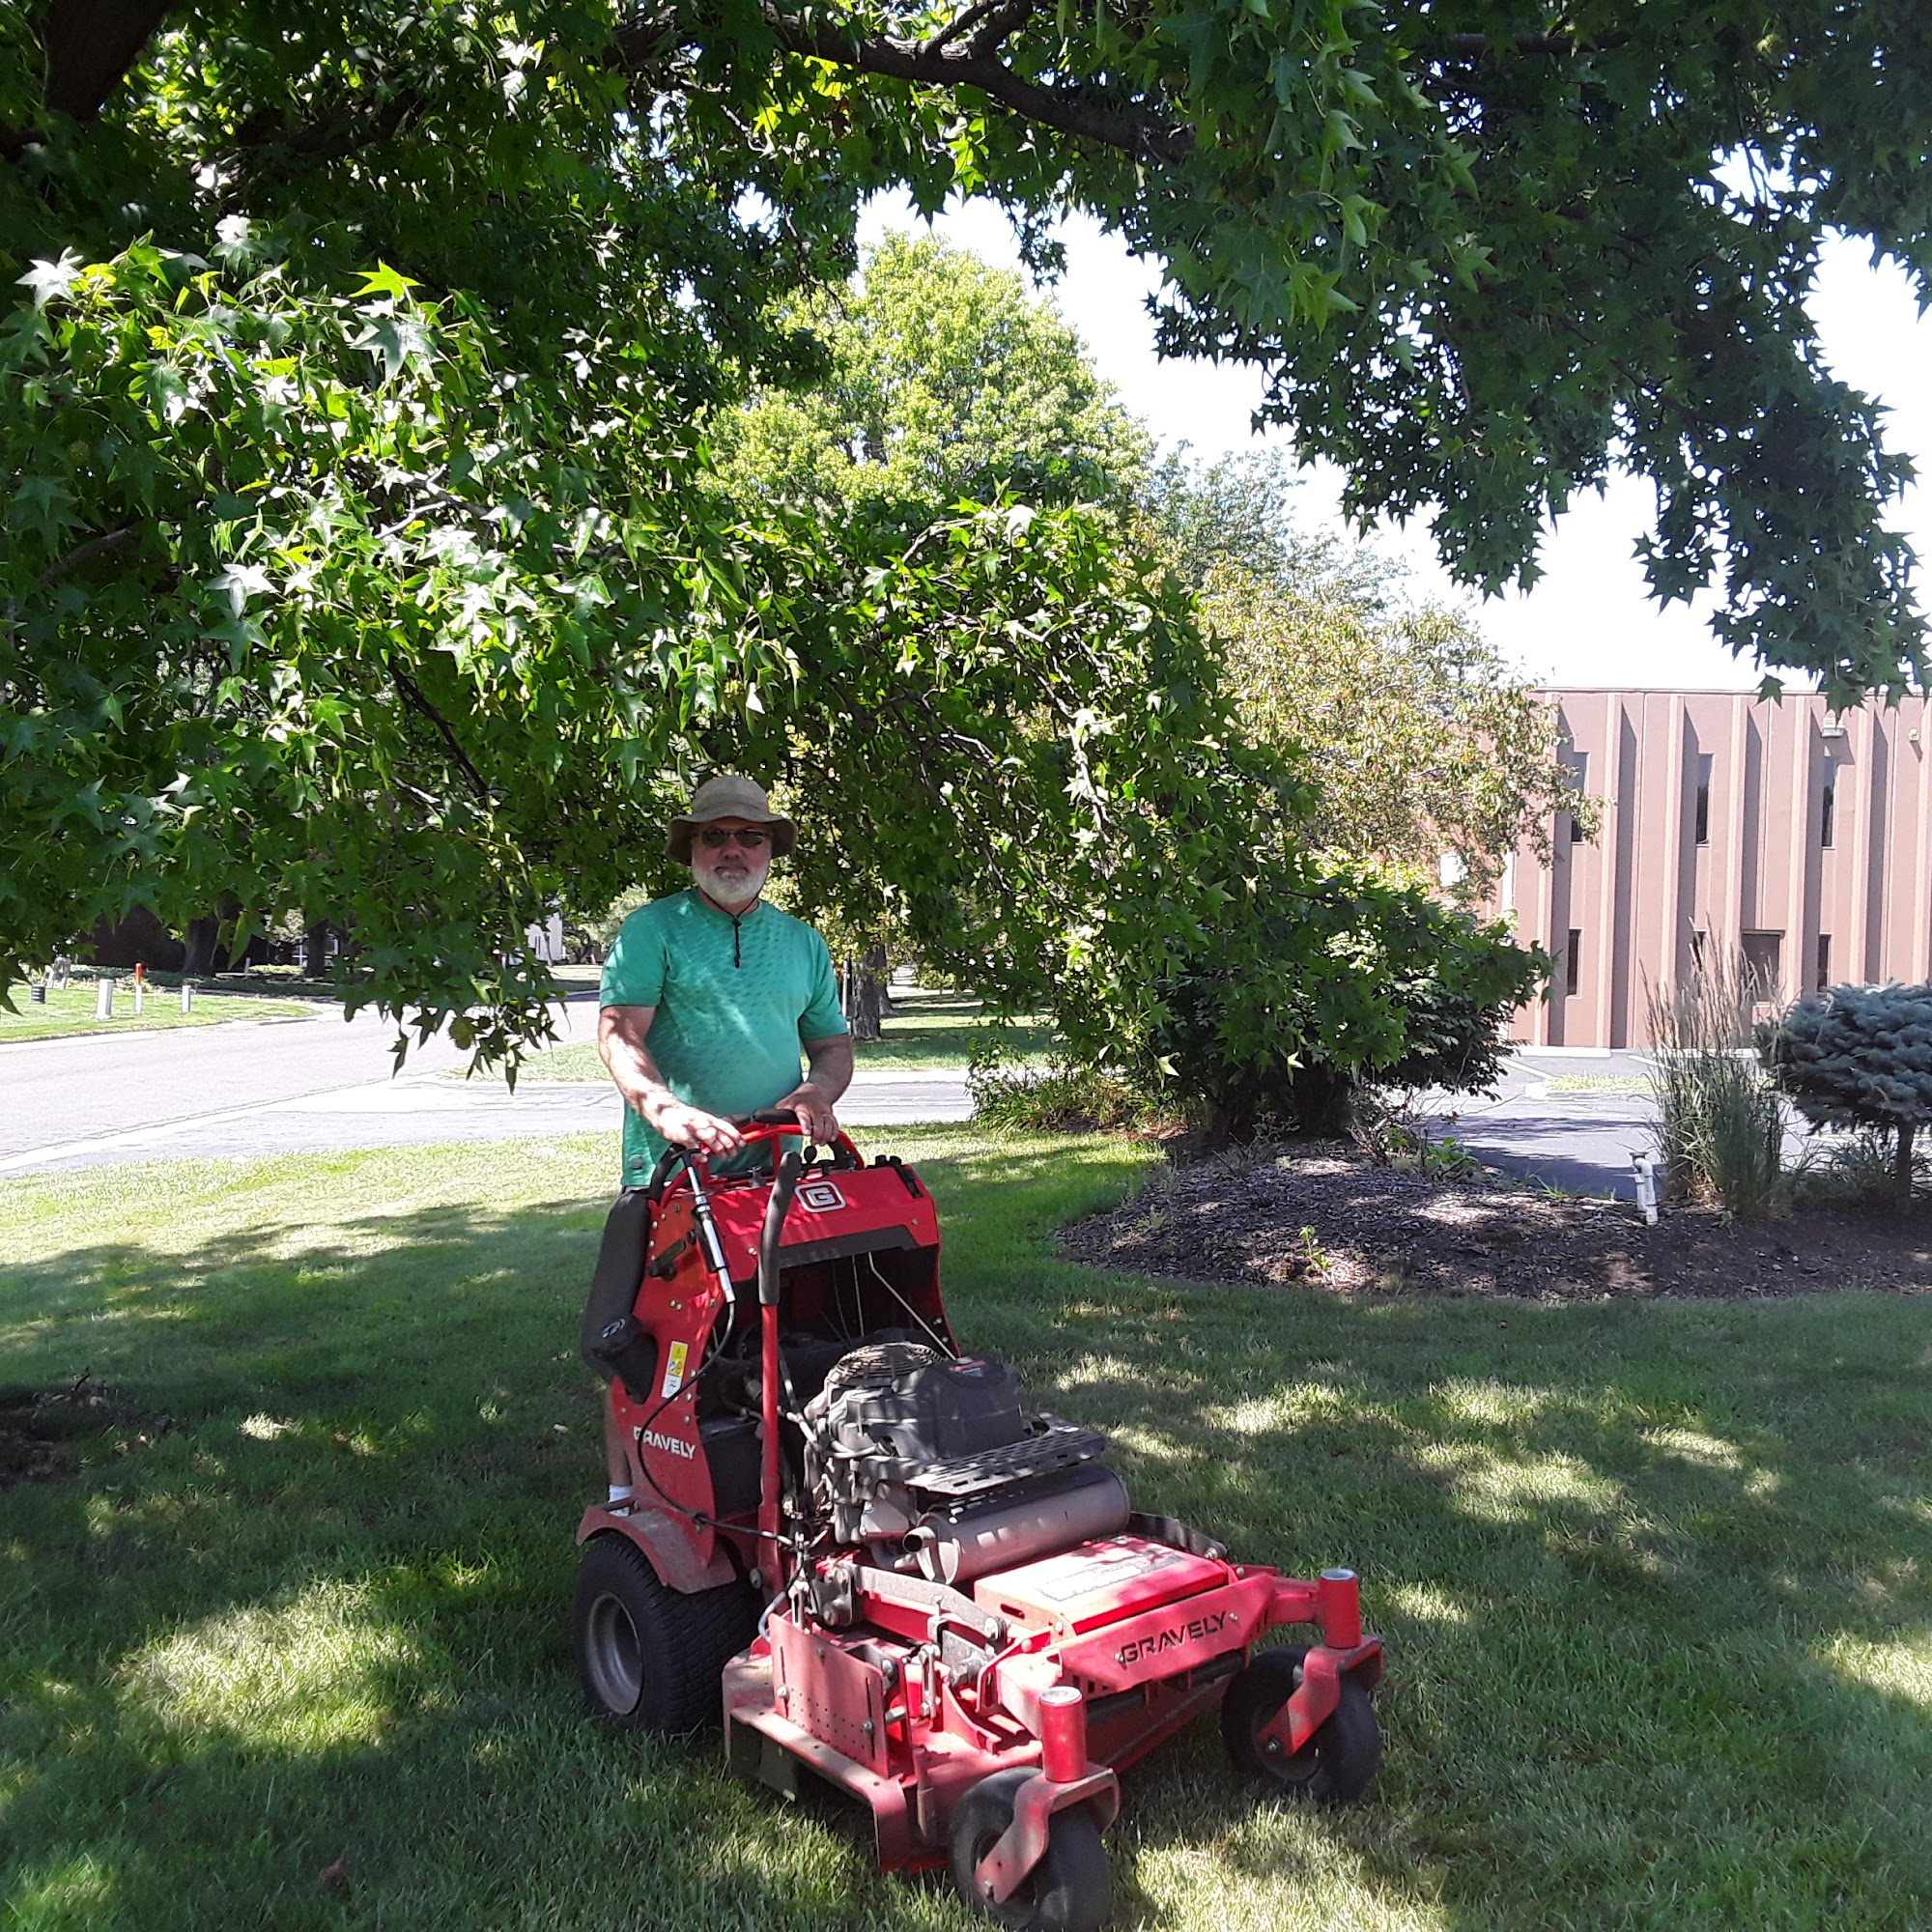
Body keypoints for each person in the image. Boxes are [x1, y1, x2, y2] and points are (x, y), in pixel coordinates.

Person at [586, 773, 854, 1499]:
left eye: (749, 836)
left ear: (770, 849)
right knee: (641, 1343)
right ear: (692, 848)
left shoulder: (802, 944)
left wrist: (817, 1091)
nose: (733, 849)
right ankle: (628, 1499)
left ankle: (773, 1482)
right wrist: (662, 1107)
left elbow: (832, 1046)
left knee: (774, 1330)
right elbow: (619, 1032)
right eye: (715, 836)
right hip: (671, 1177)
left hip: (777, 1178)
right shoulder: (653, 930)